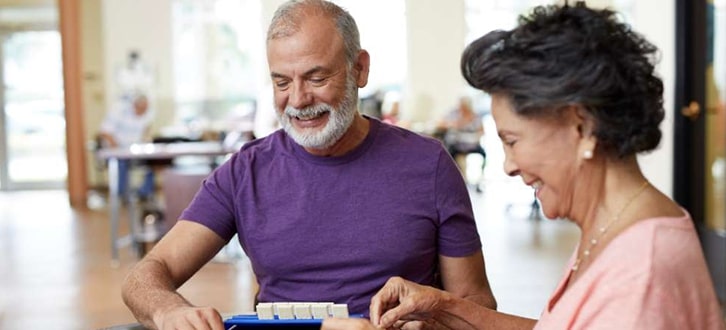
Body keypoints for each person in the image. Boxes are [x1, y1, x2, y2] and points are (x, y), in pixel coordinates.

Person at [323, 2, 726, 330]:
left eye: (512, 141)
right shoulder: (618, 230)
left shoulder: (642, 276)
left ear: (581, 126)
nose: (509, 167)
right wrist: (447, 309)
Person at [121, 1, 496, 329]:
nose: (298, 100)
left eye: (317, 77)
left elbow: (477, 306)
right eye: (282, 82)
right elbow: (146, 276)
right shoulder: (245, 172)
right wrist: (168, 310)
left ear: (360, 70)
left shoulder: (428, 165)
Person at [98, 91, 156, 201]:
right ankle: (122, 195)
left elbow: (145, 130)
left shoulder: (147, 114)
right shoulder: (118, 112)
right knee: (122, 163)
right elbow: (105, 132)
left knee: (152, 163)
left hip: (135, 150)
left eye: (145, 109)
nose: (144, 112)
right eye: (142, 108)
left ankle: (145, 193)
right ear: (135, 105)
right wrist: (118, 149)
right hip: (118, 150)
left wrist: (145, 140)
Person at [438, 96, 486, 191]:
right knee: (448, 156)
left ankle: (479, 182)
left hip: (472, 144)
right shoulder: (454, 114)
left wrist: (475, 136)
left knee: (484, 155)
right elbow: (440, 123)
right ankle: (455, 181)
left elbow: (482, 132)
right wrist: (453, 124)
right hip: (457, 145)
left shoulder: (475, 116)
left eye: (463, 106)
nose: (461, 108)